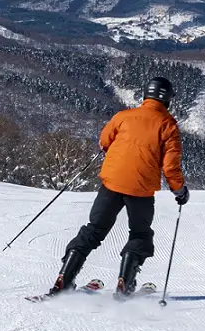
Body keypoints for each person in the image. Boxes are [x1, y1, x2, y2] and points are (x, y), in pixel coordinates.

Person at [48, 75, 189, 297]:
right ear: (168, 99)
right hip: (140, 190)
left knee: (93, 230)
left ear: (146, 95)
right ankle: (125, 282)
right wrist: (179, 190)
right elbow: (170, 166)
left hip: (111, 184)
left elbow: (105, 141)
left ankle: (64, 279)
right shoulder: (168, 125)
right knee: (140, 234)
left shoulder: (124, 116)